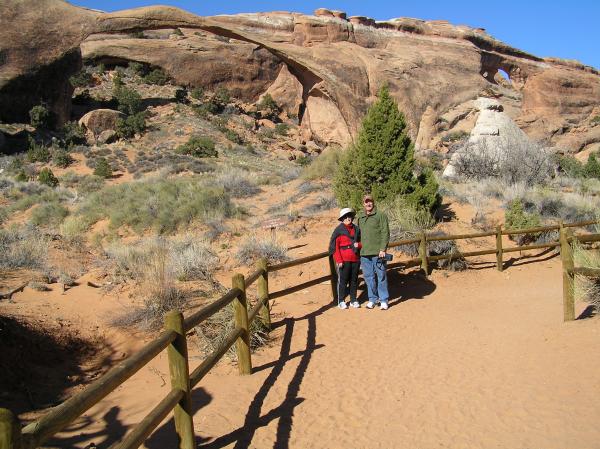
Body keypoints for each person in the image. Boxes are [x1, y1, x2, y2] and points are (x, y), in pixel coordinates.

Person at [356, 194, 390, 310]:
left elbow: (385, 232)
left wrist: (382, 249)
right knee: (369, 277)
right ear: (363, 204)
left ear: (373, 202)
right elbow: (358, 235)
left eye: (370, 201)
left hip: (378, 253)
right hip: (364, 253)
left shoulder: (381, 215)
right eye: (366, 202)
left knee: (381, 276)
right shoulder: (360, 217)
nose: (368, 204)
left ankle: (384, 300)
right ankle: (372, 299)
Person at [328, 207, 361, 309]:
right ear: (342, 219)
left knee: (354, 280)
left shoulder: (356, 229)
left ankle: (353, 300)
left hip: (355, 258)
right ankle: (341, 301)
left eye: (349, 216)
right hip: (344, 259)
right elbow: (335, 247)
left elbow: (361, 242)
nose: (348, 218)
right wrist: (339, 260)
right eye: (345, 217)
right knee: (343, 281)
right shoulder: (338, 230)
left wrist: (358, 245)